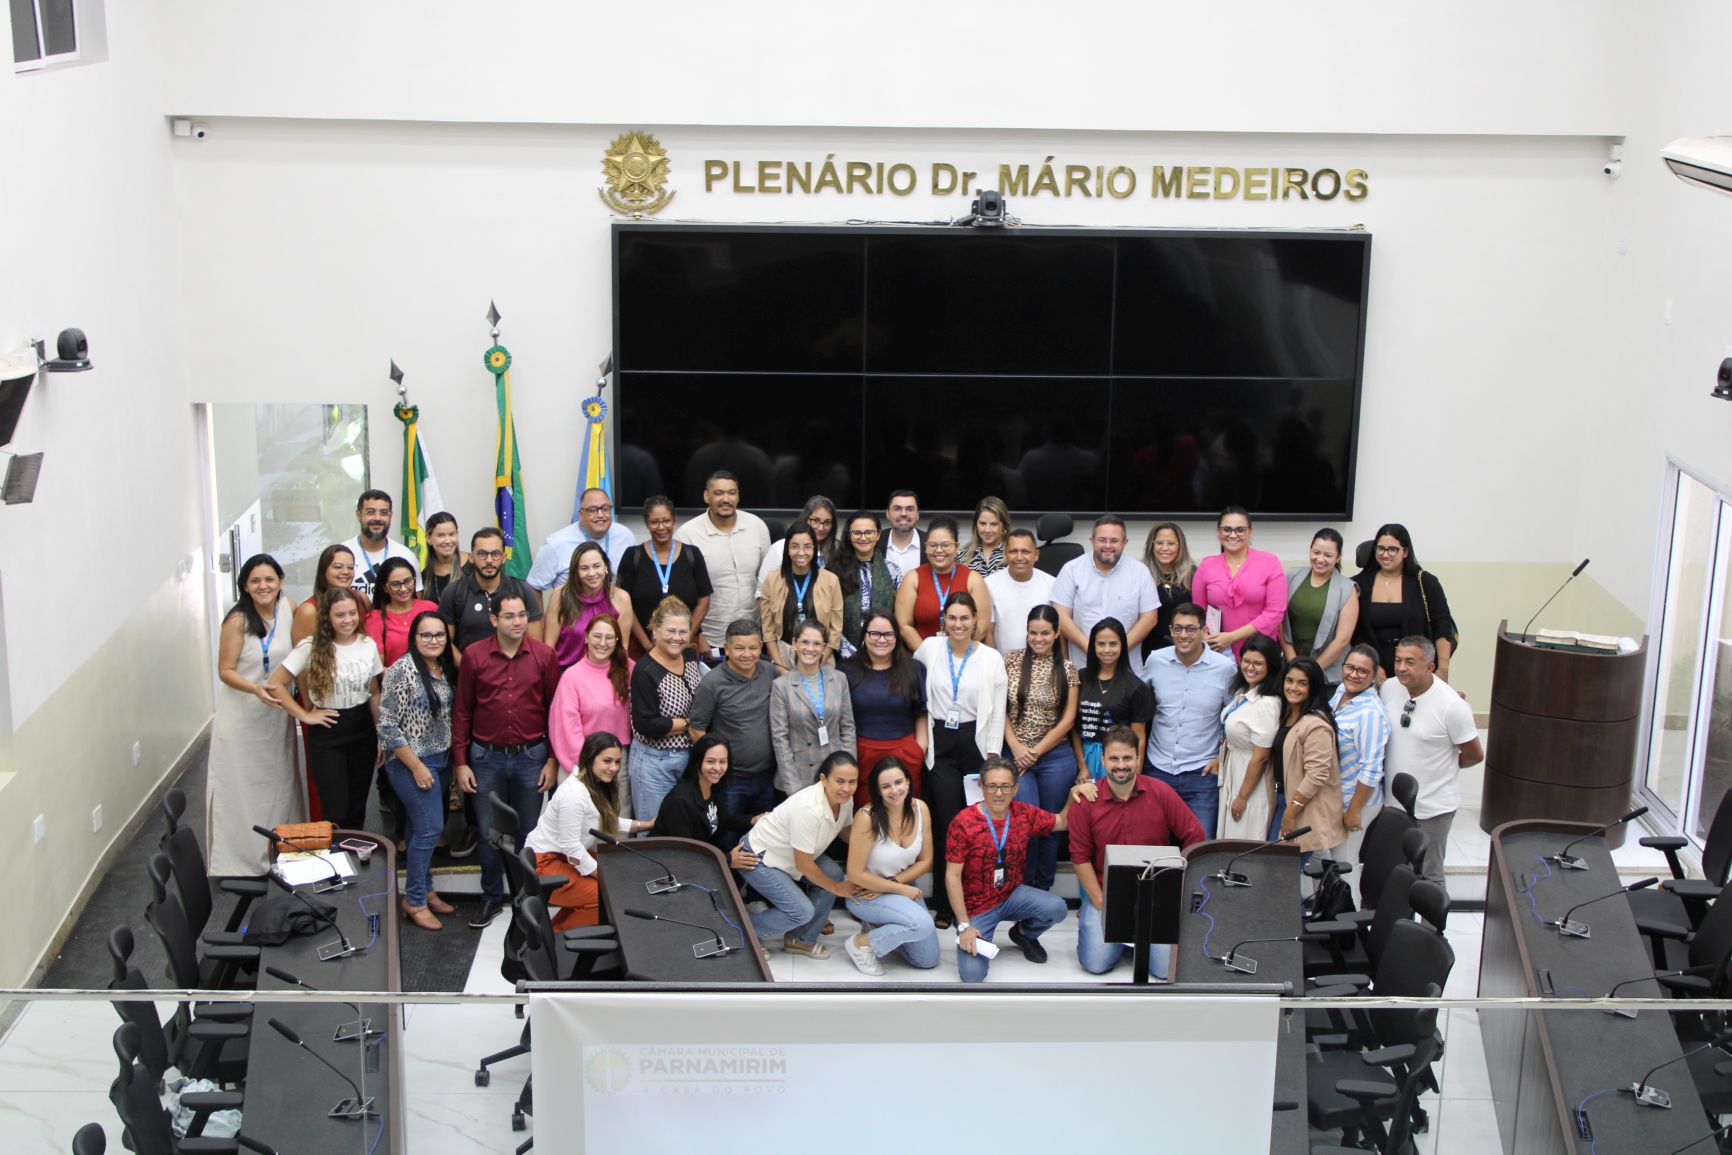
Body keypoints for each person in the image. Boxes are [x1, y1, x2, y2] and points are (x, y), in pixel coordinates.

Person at [452, 591, 562, 928]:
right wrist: (460, 762)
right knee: (489, 834)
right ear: (494, 620)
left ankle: (526, 899)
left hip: (532, 756)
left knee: (529, 833)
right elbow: (462, 711)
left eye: (522, 615)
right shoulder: (474, 655)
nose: (518, 622)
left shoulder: (544, 655)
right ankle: (490, 897)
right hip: (486, 758)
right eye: (510, 616)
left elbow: (554, 711)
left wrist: (552, 759)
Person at [1069, 726, 1206, 979]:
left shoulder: (1161, 792)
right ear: (1103, 759)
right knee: (1096, 964)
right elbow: (1080, 858)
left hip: (1156, 895)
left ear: (1138, 758)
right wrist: (1101, 903)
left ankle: (1131, 938)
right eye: (1114, 758)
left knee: (1164, 971)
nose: (1121, 765)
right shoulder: (1085, 802)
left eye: (1127, 758)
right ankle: (1116, 936)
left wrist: (1175, 887)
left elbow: (1195, 836)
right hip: (1106, 893)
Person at [913, 592, 1008, 926]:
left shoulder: (991, 658)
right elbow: (916, 688)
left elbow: (997, 712)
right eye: (952, 618)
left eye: (964, 618)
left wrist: (992, 757)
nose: (958, 624)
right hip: (940, 745)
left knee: (978, 826)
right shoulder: (929, 648)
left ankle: (977, 899)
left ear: (975, 620)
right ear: (944, 620)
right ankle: (945, 903)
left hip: (975, 745)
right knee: (947, 824)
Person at [947, 756, 1085, 983]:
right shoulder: (963, 822)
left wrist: (1073, 794)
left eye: (1005, 786)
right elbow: (952, 876)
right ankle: (969, 929)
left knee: (1056, 908)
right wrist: (964, 925)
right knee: (972, 975)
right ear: (981, 786)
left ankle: (1023, 934)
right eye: (992, 786)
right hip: (977, 908)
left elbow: (1062, 821)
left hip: (1012, 895)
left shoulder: (1023, 814)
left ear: (1015, 788)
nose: (998, 793)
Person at [207, 554, 300, 876]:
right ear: (245, 586)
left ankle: (280, 850)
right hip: (243, 717)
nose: (263, 586)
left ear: (280, 581)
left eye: (269, 579)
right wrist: (254, 688)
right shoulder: (237, 620)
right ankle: (243, 859)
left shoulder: (288, 608)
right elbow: (225, 670)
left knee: (279, 784)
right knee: (243, 788)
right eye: (255, 581)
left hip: (276, 717)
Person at [267, 588, 383, 831]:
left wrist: (381, 735)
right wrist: (304, 715)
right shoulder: (310, 646)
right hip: (329, 730)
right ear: (327, 617)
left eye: (352, 613)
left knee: (357, 807)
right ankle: (335, 854)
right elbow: (275, 684)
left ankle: (353, 853)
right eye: (340, 615)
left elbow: (373, 692)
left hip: (363, 728)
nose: (348, 620)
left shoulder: (367, 645)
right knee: (336, 810)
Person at [376, 610, 459, 930]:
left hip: (440, 760)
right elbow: (387, 726)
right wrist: (416, 766)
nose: (434, 640)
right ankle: (414, 900)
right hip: (410, 764)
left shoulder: (441, 666)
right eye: (426, 635)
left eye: (439, 635)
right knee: (430, 830)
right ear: (414, 638)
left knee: (417, 829)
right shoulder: (402, 669)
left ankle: (425, 889)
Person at [523, 732, 653, 931]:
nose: (614, 768)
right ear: (590, 758)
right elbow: (571, 848)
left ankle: (553, 932)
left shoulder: (589, 783)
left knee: (612, 879)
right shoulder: (574, 795)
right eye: (607, 761)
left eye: (617, 762)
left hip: (561, 856)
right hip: (545, 863)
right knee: (602, 896)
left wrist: (644, 825)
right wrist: (600, 875)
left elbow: (601, 818)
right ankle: (553, 938)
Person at [738, 752, 862, 958]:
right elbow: (804, 864)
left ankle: (801, 939)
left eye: (852, 782)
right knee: (802, 911)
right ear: (823, 779)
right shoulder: (809, 809)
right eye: (840, 781)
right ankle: (744, 933)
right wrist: (836, 888)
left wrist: (874, 847)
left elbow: (846, 831)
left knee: (833, 873)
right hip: (758, 857)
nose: (847, 788)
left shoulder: (845, 799)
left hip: (790, 855)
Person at [1381, 636, 1482, 886]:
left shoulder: (1452, 706)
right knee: (1396, 873)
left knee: (1429, 877)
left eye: (1410, 662)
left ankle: (1432, 915)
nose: (1401, 668)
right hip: (1394, 805)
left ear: (1430, 667)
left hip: (1432, 809)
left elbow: (1474, 754)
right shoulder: (1390, 688)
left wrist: (1442, 767)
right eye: (1398, 660)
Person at [1142, 602, 1238, 838]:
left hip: (1202, 773)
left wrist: (1220, 757)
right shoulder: (1155, 661)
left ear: (1204, 631)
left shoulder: (1225, 668)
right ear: (1171, 630)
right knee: (1152, 844)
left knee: (1200, 846)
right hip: (1158, 768)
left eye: (1190, 629)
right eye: (1178, 628)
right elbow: (1140, 708)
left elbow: (1233, 717)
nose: (1183, 635)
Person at [1003, 605, 1081, 891]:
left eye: (1045, 633)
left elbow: (1068, 720)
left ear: (1057, 633)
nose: (1039, 639)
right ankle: (1022, 890)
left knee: (1051, 826)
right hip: (1016, 753)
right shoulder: (1010, 661)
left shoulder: (1068, 669)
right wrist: (1017, 748)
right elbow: (998, 709)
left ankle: (1043, 889)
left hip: (1055, 757)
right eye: (1033, 633)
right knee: (1025, 824)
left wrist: (1034, 752)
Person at [842, 756, 939, 976]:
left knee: (927, 960)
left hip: (900, 885)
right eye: (886, 786)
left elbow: (926, 861)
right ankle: (859, 943)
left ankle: (881, 928)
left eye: (898, 782)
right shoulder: (867, 817)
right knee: (922, 925)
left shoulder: (921, 808)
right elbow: (855, 874)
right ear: (877, 791)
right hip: (865, 893)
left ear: (908, 781)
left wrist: (895, 884)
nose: (894, 790)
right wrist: (899, 889)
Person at [688, 618, 781, 827]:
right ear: (727, 648)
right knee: (728, 835)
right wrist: (717, 767)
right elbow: (696, 730)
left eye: (753, 648)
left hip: (768, 776)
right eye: (740, 648)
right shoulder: (712, 683)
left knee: (764, 833)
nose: (747, 654)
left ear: (761, 647)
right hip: (731, 780)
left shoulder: (770, 672)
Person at [675, 471, 771, 660]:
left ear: (738, 496)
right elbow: (683, 593)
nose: (726, 499)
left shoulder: (757, 527)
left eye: (731, 493)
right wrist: (698, 633)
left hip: (753, 636)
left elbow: (768, 581)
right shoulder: (687, 535)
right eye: (718, 493)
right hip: (711, 638)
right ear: (706, 496)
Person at [627, 597, 706, 823]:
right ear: (655, 630)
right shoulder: (645, 670)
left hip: (689, 759)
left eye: (683, 632)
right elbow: (646, 724)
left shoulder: (689, 655)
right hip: (655, 762)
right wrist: (690, 723)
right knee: (653, 829)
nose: (677, 638)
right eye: (670, 631)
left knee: (682, 827)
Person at [1051, 514, 1160, 678]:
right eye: (1102, 540)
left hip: (1127, 671)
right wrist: (1091, 649)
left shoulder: (1140, 572)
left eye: (1114, 540)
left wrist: (1118, 650)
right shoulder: (1071, 570)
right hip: (1083, 668)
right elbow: (1060, 616)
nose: (1108, 546)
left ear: (1125, 542)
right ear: (1092, 540)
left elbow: (1149, 618)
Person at [1353, 523, 1459, 683]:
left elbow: (1442, 625)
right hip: (1373, 670)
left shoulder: (1424, 581)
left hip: (1416, 669)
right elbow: (1354, 632)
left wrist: (1443, 668)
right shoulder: (1358, 584)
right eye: (1380, 548)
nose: (1385, 554)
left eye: (1392, 549)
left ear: (1405, 552)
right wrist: (1371, 665)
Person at [844, 609, 928, 808]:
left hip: (905, 753)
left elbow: (921, 712)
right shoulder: (846, 671)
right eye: (875, 633)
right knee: (866, 814)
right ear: (864, 636)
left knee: (904, 812)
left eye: (888, 634)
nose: (881, 640)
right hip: (863, 754)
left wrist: (920, 749)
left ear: (896, 637)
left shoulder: (914, 668)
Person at [1323, 644, 1392, 886]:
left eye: (1362, 671)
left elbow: (1371, 768)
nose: (1354, 674)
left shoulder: (1370, 713)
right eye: (1350, 667)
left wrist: (1354, 810)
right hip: (1336, 796)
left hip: (1356, 801)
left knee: (1346, 865)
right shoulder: (1342, 690)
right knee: (1331, 862)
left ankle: (1350, 911)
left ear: (1373, 676)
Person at [1208, 632, 1283, 841]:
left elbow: (1261, 757)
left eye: (1258, 663)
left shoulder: (1268, 703)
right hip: (1233, 768)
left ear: (1270, 666)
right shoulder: (1244, 691)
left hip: (1250, 779)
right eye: (1246, 661)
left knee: (1243, 836)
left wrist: (1242, 797)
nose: (1250, 667)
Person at [615, 495, 711, 659]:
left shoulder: (692, 554)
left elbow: (704, 601)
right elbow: (624, 605)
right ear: (647, 523)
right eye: (654, 522)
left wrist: (684, 638)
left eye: (666, 521)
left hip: (683, 648)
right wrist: (648, 646)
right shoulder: (632, 556)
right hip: (641, 650)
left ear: (673, 520)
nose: (661, 527)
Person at [549, 613, 633, 796]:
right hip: (582, 764)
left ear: (617, 641)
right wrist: (589, 766)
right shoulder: (572, 677)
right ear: (586, 637)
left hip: (618, 763)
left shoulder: (629, 670)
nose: (602, 643)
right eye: (597, 636)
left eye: (609, 637)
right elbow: (567, 729)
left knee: (619, 814)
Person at [770, 621, 857, 797]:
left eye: (817, 643)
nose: (810, 649)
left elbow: (848, 728)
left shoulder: (839, 679)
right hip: (799, 776)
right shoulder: (781, 685)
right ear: (794, 643)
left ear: (824, 647)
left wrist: (847, 773)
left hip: (835, 775)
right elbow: (780, 740)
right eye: (805, 642)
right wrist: (794, 789)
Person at [1275, 657, 1346, 861]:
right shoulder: (1288, 714)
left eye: (1302, 683)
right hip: (1282, 799)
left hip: (1300, 807)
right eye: (1289, 680)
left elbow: (1316, 775)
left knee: (1281, 870)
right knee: (1276, 866)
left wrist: (1291, 812)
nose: (1293, 687)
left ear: (1313, 687)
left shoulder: (1316, 725)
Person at [1192, 506, 1287, 659]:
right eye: (1227, 529)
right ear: (1218, 532)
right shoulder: (1206, 566)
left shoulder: (1270, 563)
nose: (1233, 535)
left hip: (1260, 653)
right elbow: (1197, 612)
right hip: (1218, 653)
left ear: (1250, 532)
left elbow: (1275, 613)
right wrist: (1206, 636)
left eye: (1240, 530)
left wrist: (1232, 637)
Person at [1070, 617, 1155, 781]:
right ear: (1093, 646)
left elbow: (1139, 738)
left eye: (1113, 644)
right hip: (1083, 760)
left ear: (1122, 645)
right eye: (1101, 644)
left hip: (1119, 762)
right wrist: (1082, 766)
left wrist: (1135, 778)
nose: (1107, 650)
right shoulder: (1080, 679)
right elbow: (1074, 728)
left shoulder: (1136, 687)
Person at [653, 735, 762, 861]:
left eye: (723, 761)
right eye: (710, 761)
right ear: (697, 761)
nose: (717, 768)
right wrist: (727, 859)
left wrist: (753, 819)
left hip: (700, 859)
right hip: (669, 862)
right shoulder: (681, 801)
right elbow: (684, 853)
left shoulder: (714, 785)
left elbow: (723, 820)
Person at [437, 527, 544, 653]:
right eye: (482, 554)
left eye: (495, 554)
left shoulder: (522, 590)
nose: (489, 560)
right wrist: (467, 663)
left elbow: (535, 644)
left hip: (515, 665)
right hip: (467, 665)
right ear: (471, 557)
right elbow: (445, 642)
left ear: (504, 557)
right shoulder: (453, 592)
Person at [895, 517, 991, 650]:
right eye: (933, 545)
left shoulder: (973, 579)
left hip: (963, 655)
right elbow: (904, 626)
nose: (939, 550)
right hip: (921, 656)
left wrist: (957, 653)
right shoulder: (912, 578)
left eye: (945, 545)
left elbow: (981, 626)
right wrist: (928, 655)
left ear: (957, 547)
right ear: (925, 547)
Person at [758, 526, 843, 674]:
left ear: (815, 549)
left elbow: (836, 629)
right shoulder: (772, 580)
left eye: (807, 547)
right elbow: (768, 629)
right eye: (795, 547)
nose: (801, 552)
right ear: (787, 549)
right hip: (784, 654)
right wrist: (779, 666)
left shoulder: (831, 580)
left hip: (820, 655)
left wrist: (819, 662)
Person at [1281, 528, 1359, 683]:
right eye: (1316, 552)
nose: (1320, 559)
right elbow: (1280, 622)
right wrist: (1293, 663)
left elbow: (1342, 639)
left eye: (1328, 555)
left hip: (1327, 670)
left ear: (1338, 557)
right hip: (1290, 664)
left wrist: (1311, 670)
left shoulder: (1347, 589)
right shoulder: (1292, 576)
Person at [542, 541, 637, 670]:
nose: (592, 573)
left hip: (605, 673)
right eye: (584, 568)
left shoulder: (621, 598)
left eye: (596, 566)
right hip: (564, 671)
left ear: (606, 567)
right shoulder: (561, 595)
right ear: (576, 572)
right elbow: (549, 646)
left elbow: (622, 649)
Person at [526, 486, 638, 589]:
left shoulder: (625, 536)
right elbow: (534, 586)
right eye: (592, 510)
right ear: (581, 514)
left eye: (605, 508)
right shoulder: (556, 543)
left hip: (615, 603)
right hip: (572, 604)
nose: (600, 515)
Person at [835, 510, 901, 659]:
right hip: (844, 654)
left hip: (884, 650)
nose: (863, 538)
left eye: (869, 532)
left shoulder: (893, 571)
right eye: (857, 533)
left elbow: (900, 616)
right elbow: (829, 619)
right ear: (849, 536)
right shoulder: (833, 571)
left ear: (878, 534)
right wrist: (849, 653)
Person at [984, 528, 1055, 656]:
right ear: (1005, 554)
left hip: (1044, 663)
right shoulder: (989, 585)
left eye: (1025, 552)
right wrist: (996, 664)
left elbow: (1059, 630)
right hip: (1003, 663)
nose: (1019, 557)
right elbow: (988, 632)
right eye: (1013, 551)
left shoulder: (1052, 584)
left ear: (1036, 555)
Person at [344, 489, 419, 601]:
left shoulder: (406, 556)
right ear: (359, 515)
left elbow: (416, 603)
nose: (377, 518)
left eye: (383, 513)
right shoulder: (343, 554)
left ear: (390, 516)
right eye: (370, 512)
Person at [363, 557, 439, 666]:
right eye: (395, 584)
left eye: (408, 581)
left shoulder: (430, 608)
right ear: (384, 587)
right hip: (395, 676)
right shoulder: (375, 619)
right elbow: (377, 668)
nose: (403, 589)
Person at [755, 495, 839, 590]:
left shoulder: (838, 550)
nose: (821, 528)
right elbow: (762, 589)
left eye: (827, 522)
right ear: (805, 519)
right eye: (816, 521)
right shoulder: (780, 548)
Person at [1140, 521, 1196, 660]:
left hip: (1184, 649)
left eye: (1171, 543)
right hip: (1148, 650)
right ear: (1152, 546)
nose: (1164, 548)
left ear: (1180, 546)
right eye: (1159, 543)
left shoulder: (1193, 575)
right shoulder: (1140, 573)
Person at [292, 544, 365, 645]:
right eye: (338, 567)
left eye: (350, 567)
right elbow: (302, 653)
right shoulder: (309, 610)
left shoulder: (361, 598)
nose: (346, 572)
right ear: (324, 570)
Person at [419, 511, 469, 604]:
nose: (448, 541)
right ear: (428, 539)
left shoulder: (474, 565)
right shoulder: (425, 576)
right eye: (441, 535)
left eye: (452, 534)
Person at [958, 496, 1011, 577]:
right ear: (976, 524)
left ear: (1004, 526)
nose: (987, 530)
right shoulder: (962, 555)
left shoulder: (1014, 554)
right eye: (983, 523)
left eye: (993, 524)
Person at [883, 489, 923, 576]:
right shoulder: (875, 541)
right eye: (897, 509)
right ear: (887, 514)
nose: (903, 514)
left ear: (917, 514)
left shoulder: (930, 542)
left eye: (910, 509)